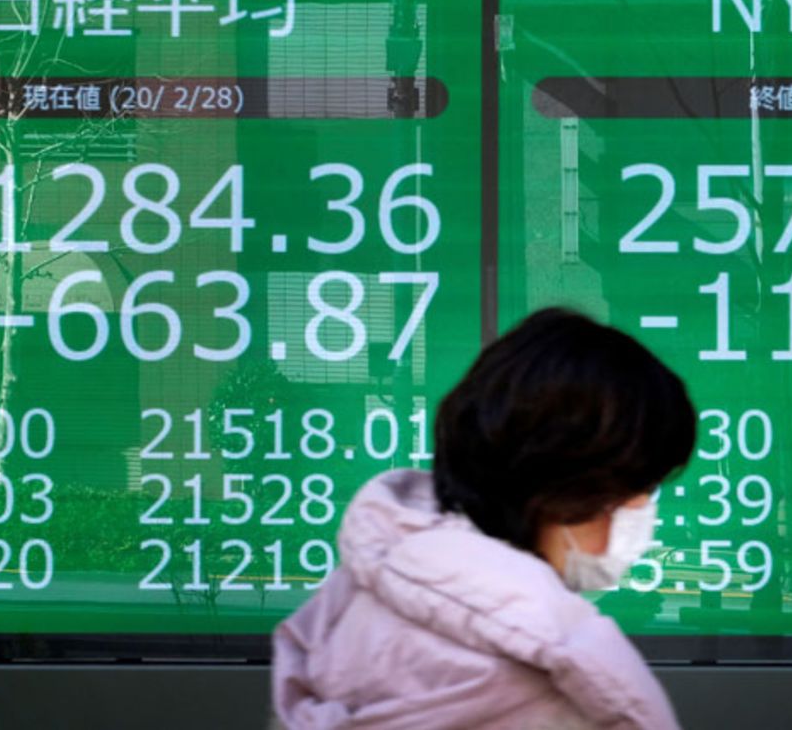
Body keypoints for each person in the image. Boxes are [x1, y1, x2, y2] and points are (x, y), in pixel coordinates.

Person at [272, 308, 695, 729]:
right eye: (638, 487)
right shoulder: (565, 682)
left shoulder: (351, 602)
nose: (642, 509)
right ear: (568, 491)